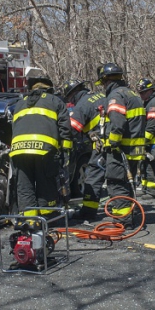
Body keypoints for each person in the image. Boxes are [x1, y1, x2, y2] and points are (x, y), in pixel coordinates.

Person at [9, 69, 72, 218]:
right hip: (44, 151)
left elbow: (13, 128)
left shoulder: (19, 104)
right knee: (46, 185)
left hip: (19, 151)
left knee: (25, 186)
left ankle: (29, 221)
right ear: (49, 89)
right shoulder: (55, 101)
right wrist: (66, 152)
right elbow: (65, 128)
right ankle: (47, 219)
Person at [97, 63, 145, 226]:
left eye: (103, 83)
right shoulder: (132, 94)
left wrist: (112, 142)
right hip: (134, 148)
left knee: (116, 182)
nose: (103, 86)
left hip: (120, 149)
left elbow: (118, 123)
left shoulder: (116, 95)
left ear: (106, 80)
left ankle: (123, 220)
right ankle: (130, 214)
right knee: (127, 182)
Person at [64, 78, 107, 221]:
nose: (71, 101)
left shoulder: (82, 105)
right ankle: (123, 210)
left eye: (70, 98)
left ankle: (88, 212)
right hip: (115, 141)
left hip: (101, 145)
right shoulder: (102, 96)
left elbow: (72, 130)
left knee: (93, 177)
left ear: (74, 93)